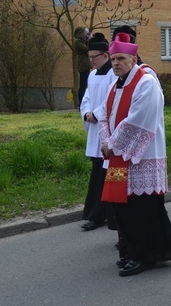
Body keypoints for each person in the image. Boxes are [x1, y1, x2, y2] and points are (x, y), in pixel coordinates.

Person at [97, 33, 171, 276]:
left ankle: (143, 256)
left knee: (141, 210)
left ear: (133, 59)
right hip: (118, 154)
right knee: (122, 207)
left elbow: (140, 120)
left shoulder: (146, 82)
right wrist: (106, 141)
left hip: (141, 156)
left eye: (120, 58)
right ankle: (139, 251)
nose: (115, 63)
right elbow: (103, 114)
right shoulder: (115, 84)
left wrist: (113, 144)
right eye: (112, 59)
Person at [79, 33, 117, 231]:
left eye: (94, 56)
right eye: (90, 57)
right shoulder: (92, 75)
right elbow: (86, 97)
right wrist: (86, 113)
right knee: (96, 175)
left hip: (106, 129)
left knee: (108, 175)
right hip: (94, 130)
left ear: (105, 55)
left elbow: (113, 100)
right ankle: (95, 214)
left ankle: (108, 215)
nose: (91, 60)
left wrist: (97, 113)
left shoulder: (114, 74)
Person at [74, 26, 91, 106]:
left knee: (84, 85)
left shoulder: (83, 41)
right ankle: (81, 104)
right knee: (83, 85)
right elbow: (87, 49)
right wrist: (90, 40)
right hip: (83, 65)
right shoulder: (78, 42)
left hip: (85, 64)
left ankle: (83, 103)